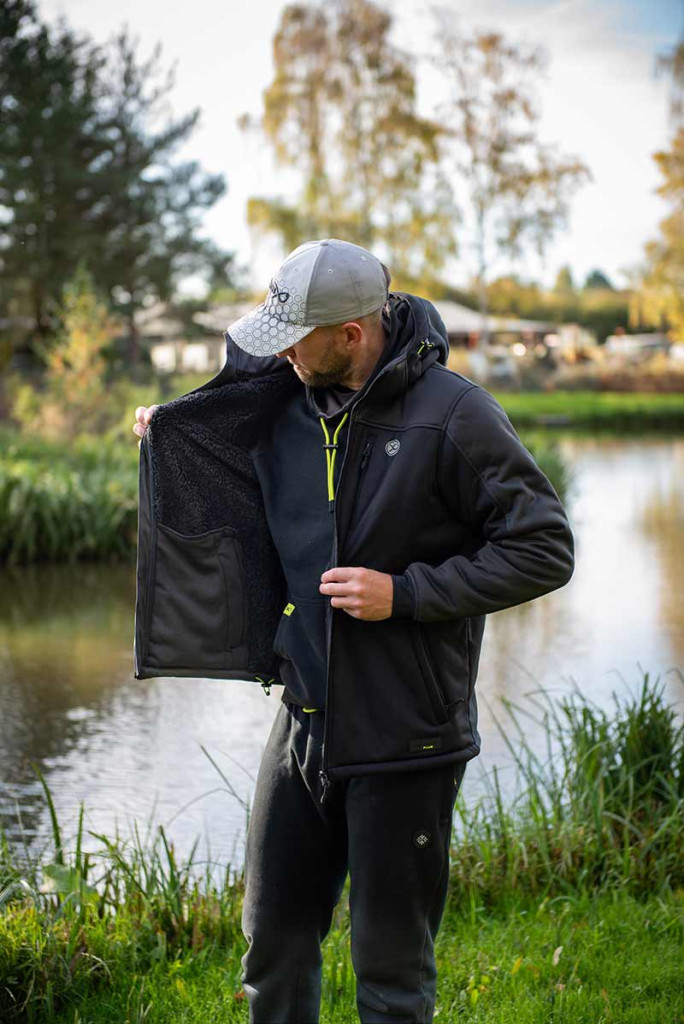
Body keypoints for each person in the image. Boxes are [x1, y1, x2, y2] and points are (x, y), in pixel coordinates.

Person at [133, 238, 575, 1024]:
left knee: (389, 971)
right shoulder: (285, 398)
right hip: (303, 721)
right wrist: (169, 431)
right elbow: (223, 451)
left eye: (295, 338)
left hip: (407, 735)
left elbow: (544, 547)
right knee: (272, 949)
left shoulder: (455, 414)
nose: (282, 354)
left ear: (351, 333)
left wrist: (404, 594)